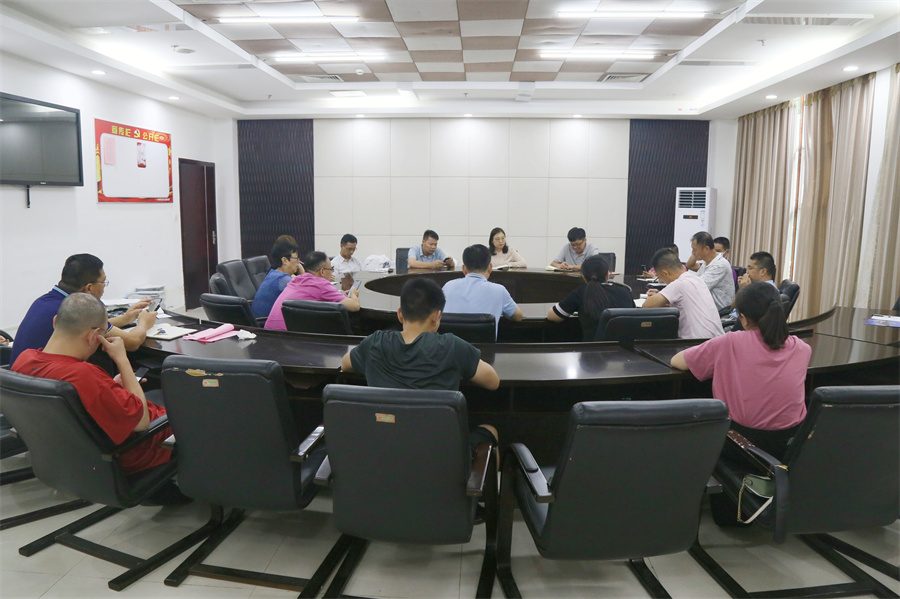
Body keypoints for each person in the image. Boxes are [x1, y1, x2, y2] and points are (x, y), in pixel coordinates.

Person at [12, 293, 174, 477]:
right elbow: (142, 423)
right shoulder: (83, 374)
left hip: (70, 455)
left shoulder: (24, 359)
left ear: (55, 322)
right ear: (93, 336)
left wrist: (110, 386)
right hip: (137, 450)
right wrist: (122, 359)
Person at [341, 278, 499, 451]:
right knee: (490, 430)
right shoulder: (453, 346)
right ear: (436, 316)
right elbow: (493, 382)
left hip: (383, 451)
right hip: (440, 456)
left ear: (400, 314)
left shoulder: (374, 343)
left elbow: (345, 364)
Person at [670, 282, 811, 460]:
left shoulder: (729, 342)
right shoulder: (802, 348)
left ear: (743, 318)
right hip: (789, 445)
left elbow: (677, 362)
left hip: (741, 444)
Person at [10, 254, 156, 367]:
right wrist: (144, 323)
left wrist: (124, 319)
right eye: (103, 282)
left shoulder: (43, 302)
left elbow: (81, 325)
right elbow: (132, 342)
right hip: (53, 385)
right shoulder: (78, 309)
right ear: (89, 288)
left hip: (21, 386)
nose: (104, 287)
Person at [265, 251, 360, 331]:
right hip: (290, 338)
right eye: (331, 269)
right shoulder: (321, 284)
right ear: (322, 271)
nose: (332, 273)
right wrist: (353, 294)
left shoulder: (297, 279)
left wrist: (338, 295)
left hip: (269, 335)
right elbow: (355, 306)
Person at [443, 244, 523, 339]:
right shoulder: (499, 290)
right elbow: (518, 316)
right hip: (485, 348)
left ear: (464, 269)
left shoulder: (448, 287)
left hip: (451, 347)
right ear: (490, 268)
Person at [642, 248, 724, 339]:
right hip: (717, 340)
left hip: (694, 342)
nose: (661, 281)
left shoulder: (679, 284)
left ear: (665, 273)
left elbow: (647, 306)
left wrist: (658, 297)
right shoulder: (697, 280)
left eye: (660, 277)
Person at [547, 255, 634, 340]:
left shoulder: (581, 292)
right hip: (625, 348)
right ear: (608, 274)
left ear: (583, 277)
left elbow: (552, 316)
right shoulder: (625, 291)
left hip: (592, 349)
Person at [251, 239, 302, 319]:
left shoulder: (274, 273)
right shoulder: (282, 280)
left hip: (259, 321)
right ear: (285, 260)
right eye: (296, 258)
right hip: (264, 324)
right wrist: (302, 273)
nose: (298, 263)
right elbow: (305, 294)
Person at [690, 231, 735, 312]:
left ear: (706, 249)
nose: (693, 253)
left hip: (720, 313)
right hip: (707, 309)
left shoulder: (720, 264)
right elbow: (695, 281)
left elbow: (698, 287)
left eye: (695, 249)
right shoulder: (707, 263)